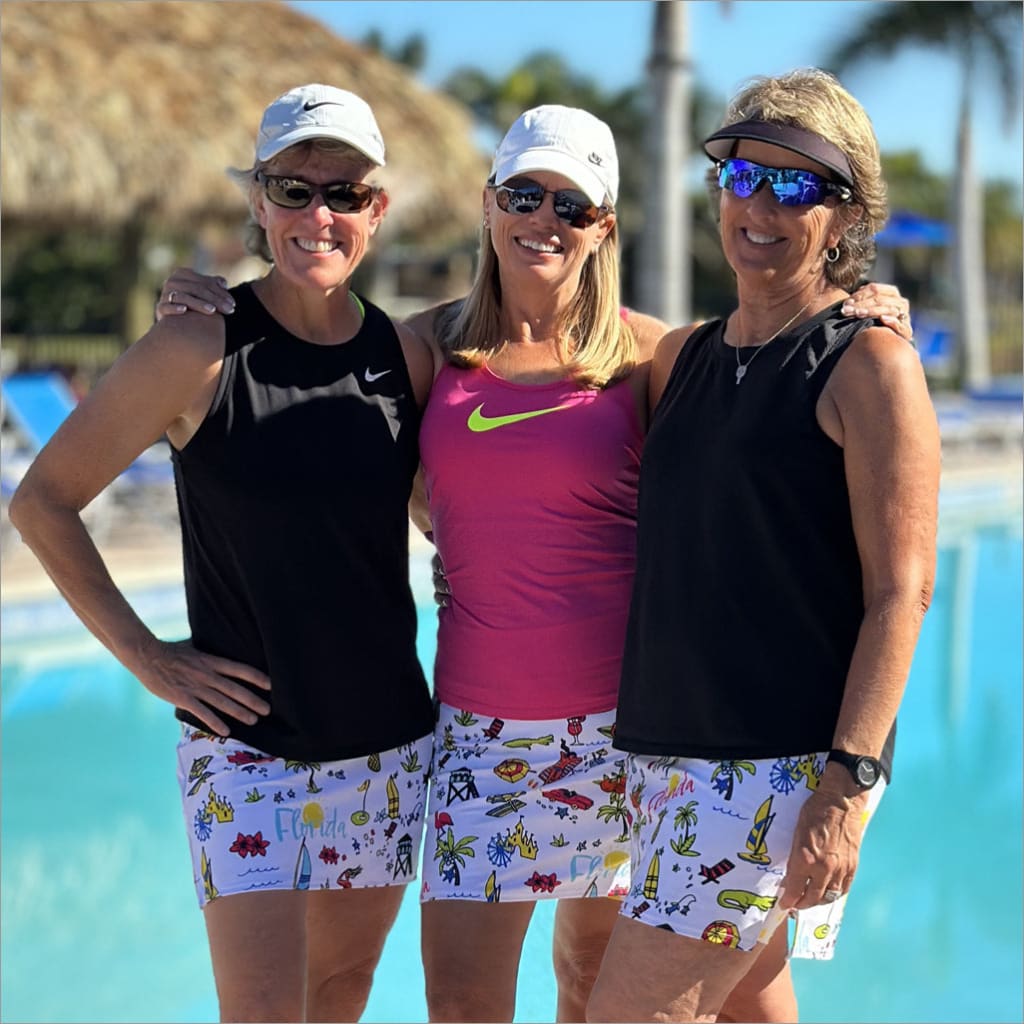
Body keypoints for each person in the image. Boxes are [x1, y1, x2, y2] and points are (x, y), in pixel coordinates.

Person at [155, 101, 913, 1023]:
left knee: (602, 983)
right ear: (488, 205)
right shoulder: (423, 348)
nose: (543, 219)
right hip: (479, 731)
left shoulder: (654, 358)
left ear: (603, 226)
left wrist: (868, 309)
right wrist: (209, 306)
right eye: (523, 192)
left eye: (571, 203)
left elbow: (777, 405)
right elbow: (315, 370)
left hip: (630, 733)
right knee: (463, 1000)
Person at [9, 83, 437, 1023]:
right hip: (247, 752)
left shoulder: (406, 359)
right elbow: (43, 501)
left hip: (391, 744)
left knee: (341, 994)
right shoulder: (196, 348)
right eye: (292, 189)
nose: (318, 214)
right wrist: (148, 658)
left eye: (345, 193)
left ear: (379, 210)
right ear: (256, 200)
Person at [586, 68, 940, 1023]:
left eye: (796, 187)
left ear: (843, 214)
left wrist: (847, 782)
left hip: (776, 768)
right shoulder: (680, 357)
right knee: (749, 1008)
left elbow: (901, 592)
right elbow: (505, 341)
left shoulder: (868, 363)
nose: (760, 206)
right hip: (668, 754)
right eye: (743, 175)